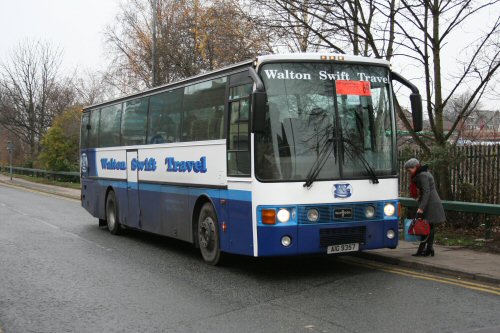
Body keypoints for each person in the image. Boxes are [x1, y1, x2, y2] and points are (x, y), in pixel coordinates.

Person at [404, 158, 446, 257]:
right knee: (428, 226)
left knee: (426, 226)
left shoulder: (422, 175)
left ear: (414, 167)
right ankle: (428, 249)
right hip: (431, 202)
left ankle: (425, 249)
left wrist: (421, 207)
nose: (408, 172)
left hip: (430, 203)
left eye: (409, 170)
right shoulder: (424, 173)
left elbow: (426, 191)